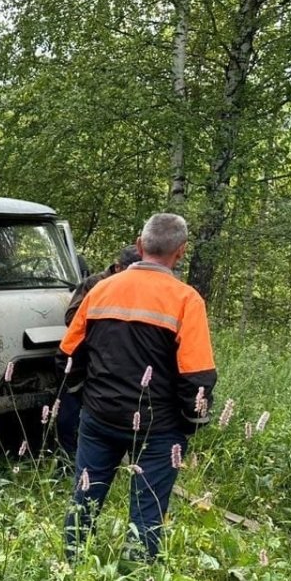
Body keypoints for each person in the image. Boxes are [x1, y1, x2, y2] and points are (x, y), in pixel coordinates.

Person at [59, 213, 217, 558]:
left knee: (85, 497)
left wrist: (86, 397)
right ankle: (135, 580)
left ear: (139, 244)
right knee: (147, 509)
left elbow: (68, 355)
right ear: (181, 251)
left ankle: (71, 566)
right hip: (159, 428)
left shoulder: (101, 289)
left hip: (99, 417)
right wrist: (191, 422)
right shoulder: (186, 300)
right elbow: (198, 376)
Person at [55, 245, 143, 458]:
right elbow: (71, 318)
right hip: (84, 359)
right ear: (119, 267)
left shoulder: (140, 287)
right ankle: (66, 462)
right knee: (69, 416)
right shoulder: (94, 284)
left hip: (117, 363)